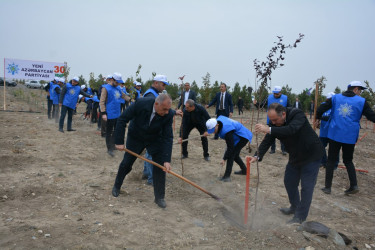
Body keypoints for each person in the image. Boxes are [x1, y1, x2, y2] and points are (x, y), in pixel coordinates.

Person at [250, 103, 324, 224]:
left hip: (311, 155)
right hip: (295, 156)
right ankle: (294, 206)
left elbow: (291, 129)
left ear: (283, 114)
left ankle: (300, 217)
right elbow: (268, 138)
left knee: (306, 187)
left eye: (275, 120)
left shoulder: (297, 114)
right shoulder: (274, 123)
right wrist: (257, 156)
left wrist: (268, 129)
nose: (273, 123)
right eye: (271, 121)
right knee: (289, 181)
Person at [112, 93, 174, 209]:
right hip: (136, 136)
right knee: (126, 163)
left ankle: (159, 197)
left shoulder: (168, 114)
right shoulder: (141, 103)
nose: (166, 112)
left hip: (155, 139)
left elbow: (168, 137)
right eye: (164, 109)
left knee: (160, 167)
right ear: (156, 104)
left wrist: (167, 159)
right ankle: (117, 186)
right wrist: (119, 141)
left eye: (168, 110)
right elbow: (122, 119)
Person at [317, 81, 375, 195]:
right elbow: (371, 116)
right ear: (356, 89)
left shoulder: (335, 98)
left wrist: (318, 117)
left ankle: (327, 187)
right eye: (360, 91)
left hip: (335, 134)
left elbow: (321, 109)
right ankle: (354, 185)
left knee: (331, 160)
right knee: (348, 160)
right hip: (350, 136)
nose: (360, 93)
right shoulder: (361, 101)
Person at [141, 75, 170, 185]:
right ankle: (152, 179)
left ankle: (146, 173)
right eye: (163, 84)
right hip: (149, 128)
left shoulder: (153, 94)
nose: (164, 87)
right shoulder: (150, 95)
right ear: (156, 83)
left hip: (149, 127)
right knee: (150, 153)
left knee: (148, 151)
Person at [206, 116, 252, 182]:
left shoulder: (227, 131)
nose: (213, 132)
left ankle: (227, 176)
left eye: (213, 130)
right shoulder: (218, 120)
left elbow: (230, 147)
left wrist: (224, 159)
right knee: (235, 155)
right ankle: (245, 171)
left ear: (217, 125)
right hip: (237, 136)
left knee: (231, 155)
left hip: (243, 136)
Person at [100, 73, 130, 157]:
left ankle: (113, 146)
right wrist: (103, 113)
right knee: (109, 132)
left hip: (117, 113)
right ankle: (109, 148)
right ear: (112, 80)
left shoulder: (118, 88)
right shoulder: (105, 88)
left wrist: (130, 99)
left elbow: (123, 95)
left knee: (116, 131)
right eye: (117, 82)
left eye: (119, 83)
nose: (118, 84)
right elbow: (101, 101)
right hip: (109, 113)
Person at [254, 86, 290, 155]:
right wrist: (256, 104)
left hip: (282, 121)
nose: (275, 95)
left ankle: (284, 150)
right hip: (271, 120)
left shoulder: (285, 98)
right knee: (271, 134)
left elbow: (289, 108)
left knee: (283, 134)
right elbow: (261, 105)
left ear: (280, 92)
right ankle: (272, 149)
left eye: (277, 94)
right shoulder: (269, 97)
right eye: (274, 93)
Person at [318, 92, 339, 169]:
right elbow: (319, 114)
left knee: (334, 149)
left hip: (333, 132)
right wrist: (318, 120)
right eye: (328, 99)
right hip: (323, 131)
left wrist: (321, 118)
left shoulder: (337, 107)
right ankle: (323, 161)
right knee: (320, 146)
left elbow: (332, 118)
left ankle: (334, 164)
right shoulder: (323, 106)